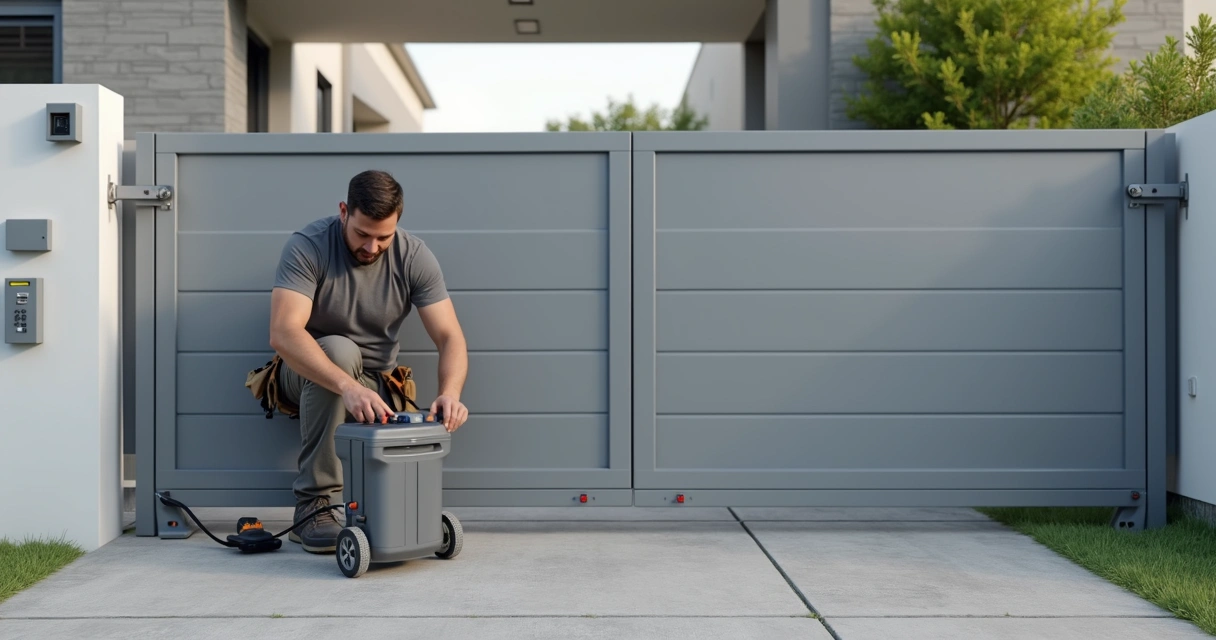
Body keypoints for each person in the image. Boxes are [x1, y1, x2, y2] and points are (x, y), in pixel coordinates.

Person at [267, 169, 469, 554]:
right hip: (306, 372)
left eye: (384, 237)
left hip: (376, 381)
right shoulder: (308, 246)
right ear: (344, 211)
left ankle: (403, 512)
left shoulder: (414, 256)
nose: (372, 247)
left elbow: (450, 336)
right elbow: (283, 332)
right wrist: (347, 386)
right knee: (340, 352)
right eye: (362, 234)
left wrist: (451, 392)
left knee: (408, 416)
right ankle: (314, 504)